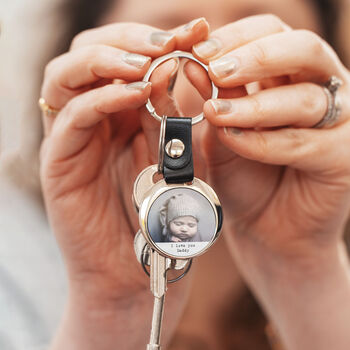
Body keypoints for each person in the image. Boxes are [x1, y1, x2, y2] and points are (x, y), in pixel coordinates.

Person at [2, 0, 350, 349]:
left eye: (255, 43)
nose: (209, 76)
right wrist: (108, 314)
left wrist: (305, 268)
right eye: (169, 47)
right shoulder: (12, 266)